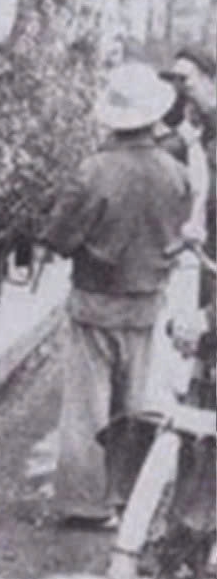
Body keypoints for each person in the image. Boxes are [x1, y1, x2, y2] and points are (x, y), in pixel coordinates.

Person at [39, 62, 191, 529]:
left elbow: (60, 237)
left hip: (95, 299)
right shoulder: (175, 172)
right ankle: (128, 496)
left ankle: (85, 502)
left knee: (88, 407)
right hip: (147, 301)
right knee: (134, 402)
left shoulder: (94, 171)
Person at [160, 45, 217, 310]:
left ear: (210, 80)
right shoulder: (188, 121)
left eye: (186, 80)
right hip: (201, 247)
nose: (179, 88)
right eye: (174, 80)